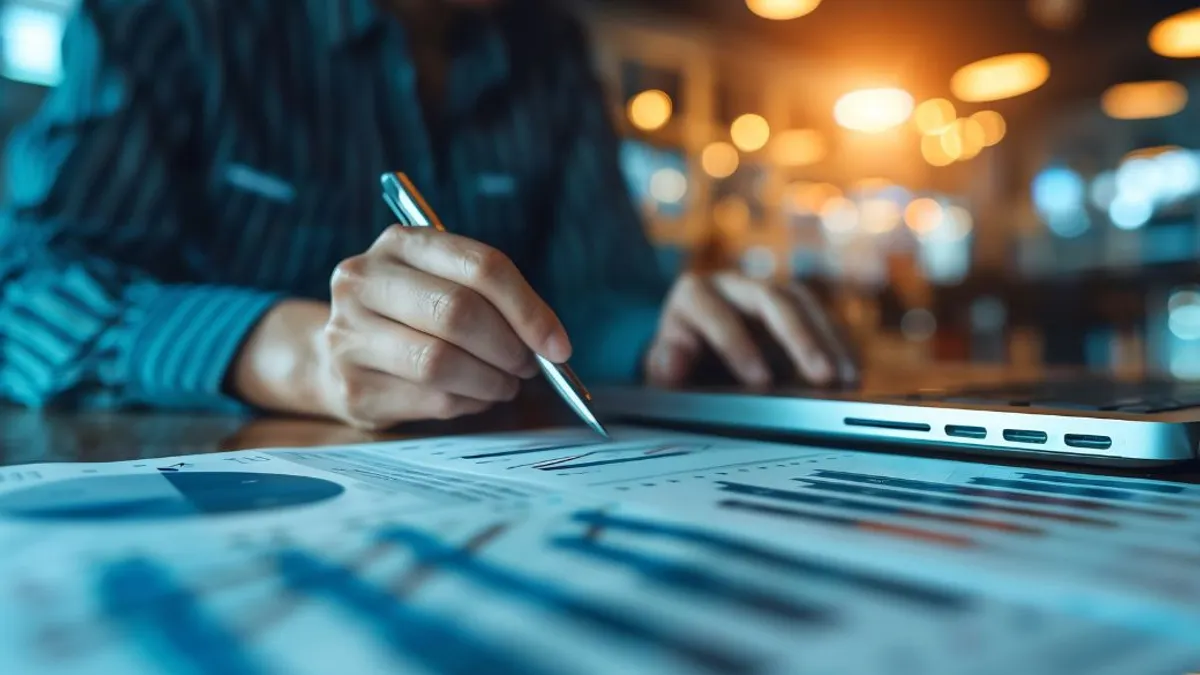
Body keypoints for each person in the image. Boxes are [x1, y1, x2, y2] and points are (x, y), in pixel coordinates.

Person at [0, 0, 855, 429]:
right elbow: (27, 300)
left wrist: (665, 331)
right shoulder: (173, 18)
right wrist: (295, 353)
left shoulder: (544, 45)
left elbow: (589, 293)